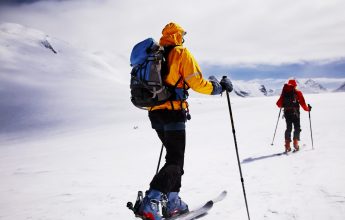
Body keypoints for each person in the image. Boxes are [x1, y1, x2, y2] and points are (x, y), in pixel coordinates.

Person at [138, 22, 233, 220]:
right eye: (182, 35)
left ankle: (173, 200)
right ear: (178, 35)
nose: (183, 38)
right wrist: (219, 88)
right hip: (173, 113)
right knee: (175, 161)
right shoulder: (180, 52)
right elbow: (197, 82)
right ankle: (153, 201)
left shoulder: (156, 54)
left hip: (155, 114)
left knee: (174, 158)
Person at [276, 79, 311, 152]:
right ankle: (295, 144)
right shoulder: (298, 92)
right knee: (297, 127)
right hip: (296, 113)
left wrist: (284, 104)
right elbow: (303, 104)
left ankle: (287, 146)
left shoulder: (284, 92)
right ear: (295, 85)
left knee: (288, 128)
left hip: (287, 113)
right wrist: (308, 109)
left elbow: (278, 104)